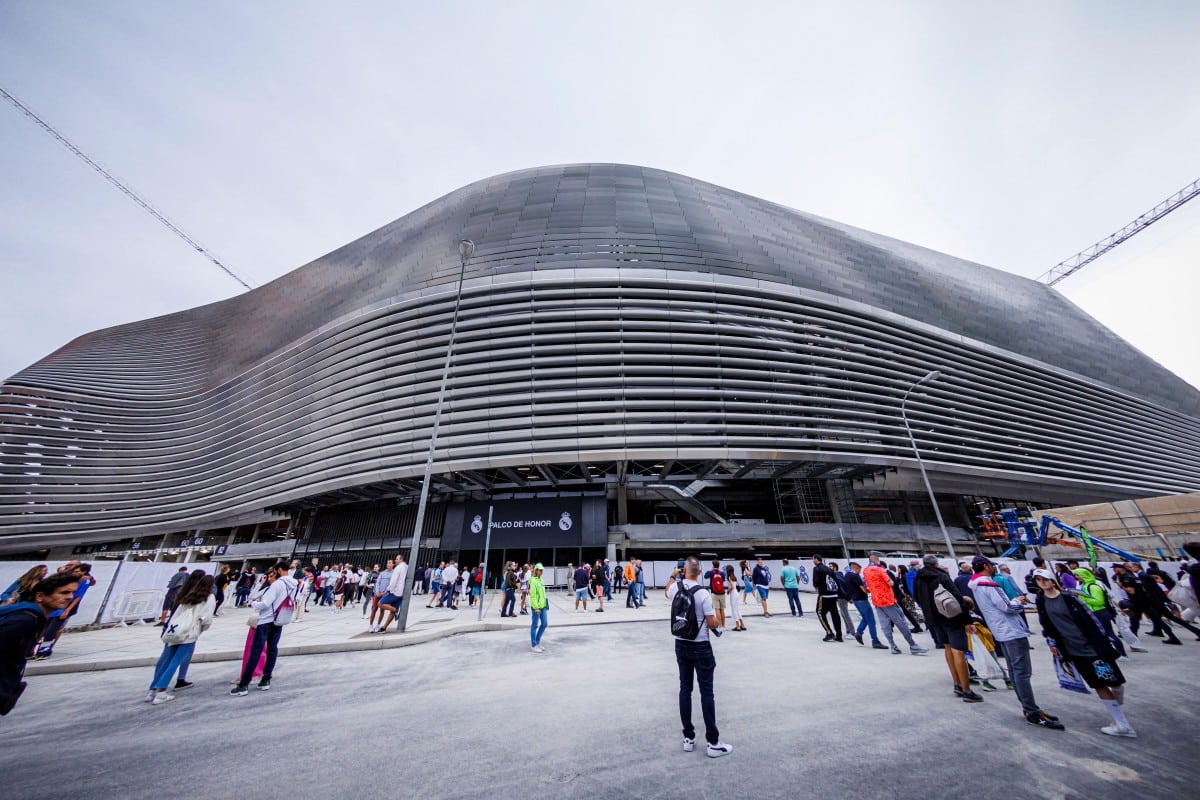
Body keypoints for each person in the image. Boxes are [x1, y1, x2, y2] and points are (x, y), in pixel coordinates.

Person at [1033, 569, 1136, 737]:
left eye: (1044, 579)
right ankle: (1121, 724)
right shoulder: (1041, 601)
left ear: (1053, 580)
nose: (1042, 582)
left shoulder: (1069, 598)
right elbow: (1046, 625)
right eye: (1038, 580)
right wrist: (1052, 642)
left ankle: (1118, 711)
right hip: (1073, 649)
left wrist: (1103, 639)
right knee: (1099, 685)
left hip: (1093, 646)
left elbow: (1091, 619)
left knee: (1115, 683)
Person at [969, 557, 1063, 730]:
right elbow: (1007, 607)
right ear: (986, 566)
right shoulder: (988, 584)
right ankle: (1031, 710)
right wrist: (1018, 601)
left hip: (1001, 630)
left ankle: (1028, 708)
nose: (993, 569)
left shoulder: (976, 585)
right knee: (1022, 672)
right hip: (1011, 629)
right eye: (991, 566)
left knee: (1014, 670)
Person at [665, 557, 732, 758]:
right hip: (701, 645)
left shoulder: (676, 587)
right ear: (700, 573)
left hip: (680, 643)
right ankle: (712, 742)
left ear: (684, 570)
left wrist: (673, 575)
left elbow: (666, 592)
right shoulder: (703, 593)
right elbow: (711, 622)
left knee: (685, 690)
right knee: (707, 693)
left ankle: (688, 737)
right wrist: (718, 627)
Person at [0, 572, 79, 715]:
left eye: (73, 592)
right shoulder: (24, 620)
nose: (70, 597)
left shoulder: (33, 617)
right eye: (64, 592)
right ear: (40, 596)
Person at [913, 555, 978, 702]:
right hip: (951, 617)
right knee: (958, 652)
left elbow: (916, 597)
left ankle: (956, 683)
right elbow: (957, 597)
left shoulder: (919, 578)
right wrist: (967, 620)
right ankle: (966, 690)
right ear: (936, 563)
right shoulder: (942, 576)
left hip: (934, 619)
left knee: (948, 649)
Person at [145, 571, 215, 705]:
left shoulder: (188, 595)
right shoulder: (208, 597)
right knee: (175, 661)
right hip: (189, 632)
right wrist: (202, 628)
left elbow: (176, 613)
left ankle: (152, 690)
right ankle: (161, 692)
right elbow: (206, 618)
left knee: (166, 660)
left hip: (176, 630)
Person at [231, 562, 297, 696]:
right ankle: (266, 679)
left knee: (256, 651)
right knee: (272, 649)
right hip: (279, 620)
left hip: (266, 620)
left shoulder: (277, 584)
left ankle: (244, 684)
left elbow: (266, 603)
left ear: (279, 570)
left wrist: (254, 604)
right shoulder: (294, 584)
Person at [863, 553, 926, 655]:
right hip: (888, 599)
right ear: (877, 561)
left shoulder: (865, 571)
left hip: (877, 601)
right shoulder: (880, 570)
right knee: (901, 622)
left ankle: (893, 646)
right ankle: (913, 645)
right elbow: (890, 583)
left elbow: (866, 585)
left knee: (885, 625)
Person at [34, 562, 95, 658]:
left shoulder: (84, 581)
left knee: (53, 630)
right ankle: (35, 648)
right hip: (55, 607)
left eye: (77, 571)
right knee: (43, 628)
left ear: (84, 572)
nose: (75, 572)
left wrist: (67, 610)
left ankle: (45, 649)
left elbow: (78, 597)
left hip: (64, 608)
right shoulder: (69, 578)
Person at [844, 563, 885, 649]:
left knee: (865, 618)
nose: (860, 572)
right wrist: (870, 591)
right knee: (871, 621)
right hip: (862, 600)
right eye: (859, 569)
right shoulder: (855, 576)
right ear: (856, 568)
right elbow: (863, 588)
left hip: (856, 600)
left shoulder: (847, 575)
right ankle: (875, 641)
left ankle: (859, 632)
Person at [811, 555, 843, 642]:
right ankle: (839, 635)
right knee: (835, 614)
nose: (812, 560)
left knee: (820, 612)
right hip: (833, 594)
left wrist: (816, 587)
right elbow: (836, 581)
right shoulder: (829, 569)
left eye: (813, 559)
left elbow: (816, 581)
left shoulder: (816, 569)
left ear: (816, 559)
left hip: (824, 594)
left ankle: (829, 633)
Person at [374, 554, 408, 632]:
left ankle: (396, 610)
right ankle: (384, 627)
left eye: (397, 559)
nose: (395, 560)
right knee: (392, 611)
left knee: (380, 604)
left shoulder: (398, 568)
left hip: (395, 592)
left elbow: (393, 581)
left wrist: (389, 590)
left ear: (401, 560)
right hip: (401, 592)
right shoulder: (406, 567)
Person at [368, 560, 394, 630]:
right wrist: (377, 593)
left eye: (389, 563)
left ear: (393, 564)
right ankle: (370, 625)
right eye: (387, 563)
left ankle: (378, 625)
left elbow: (391, 585)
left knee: (382, 610)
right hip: (377, 594)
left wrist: (384, 593)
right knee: (374, 609)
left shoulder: (394, 573)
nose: (388, 564)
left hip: (385, 595)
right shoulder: (382, 573)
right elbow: (378, 583)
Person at [528, 563, 549, 652]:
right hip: (536, 607)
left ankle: (537, 641)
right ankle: (534, 645)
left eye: (542, 570)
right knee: (534, 625)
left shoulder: (541, 580)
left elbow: (543, 593)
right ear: (536, 570)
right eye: (540, 570)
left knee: (544, 624)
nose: (541, 572)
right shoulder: (533, 580)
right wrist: (536, 607)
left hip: (543, 606)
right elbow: (533, 595)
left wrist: (546, 603)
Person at [703, 560, 727, 628]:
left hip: (714, 593)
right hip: (722, 593)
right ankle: (724, 625)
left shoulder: (711, 573)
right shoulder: (722, 573)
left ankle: (720, 626)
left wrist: (710, 570)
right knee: (722, 610)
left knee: (717, 609)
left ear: (713, 565)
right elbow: (723, 580)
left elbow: (705, 576)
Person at [723, 565, 746, 631]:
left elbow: (732, 586)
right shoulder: (734, 577)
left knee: (734, 610)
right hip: (736, 593)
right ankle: (742, 625)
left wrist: (728, 591)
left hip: (733, 593)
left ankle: (737, 626)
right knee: (737, 609)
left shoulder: (729, 577)